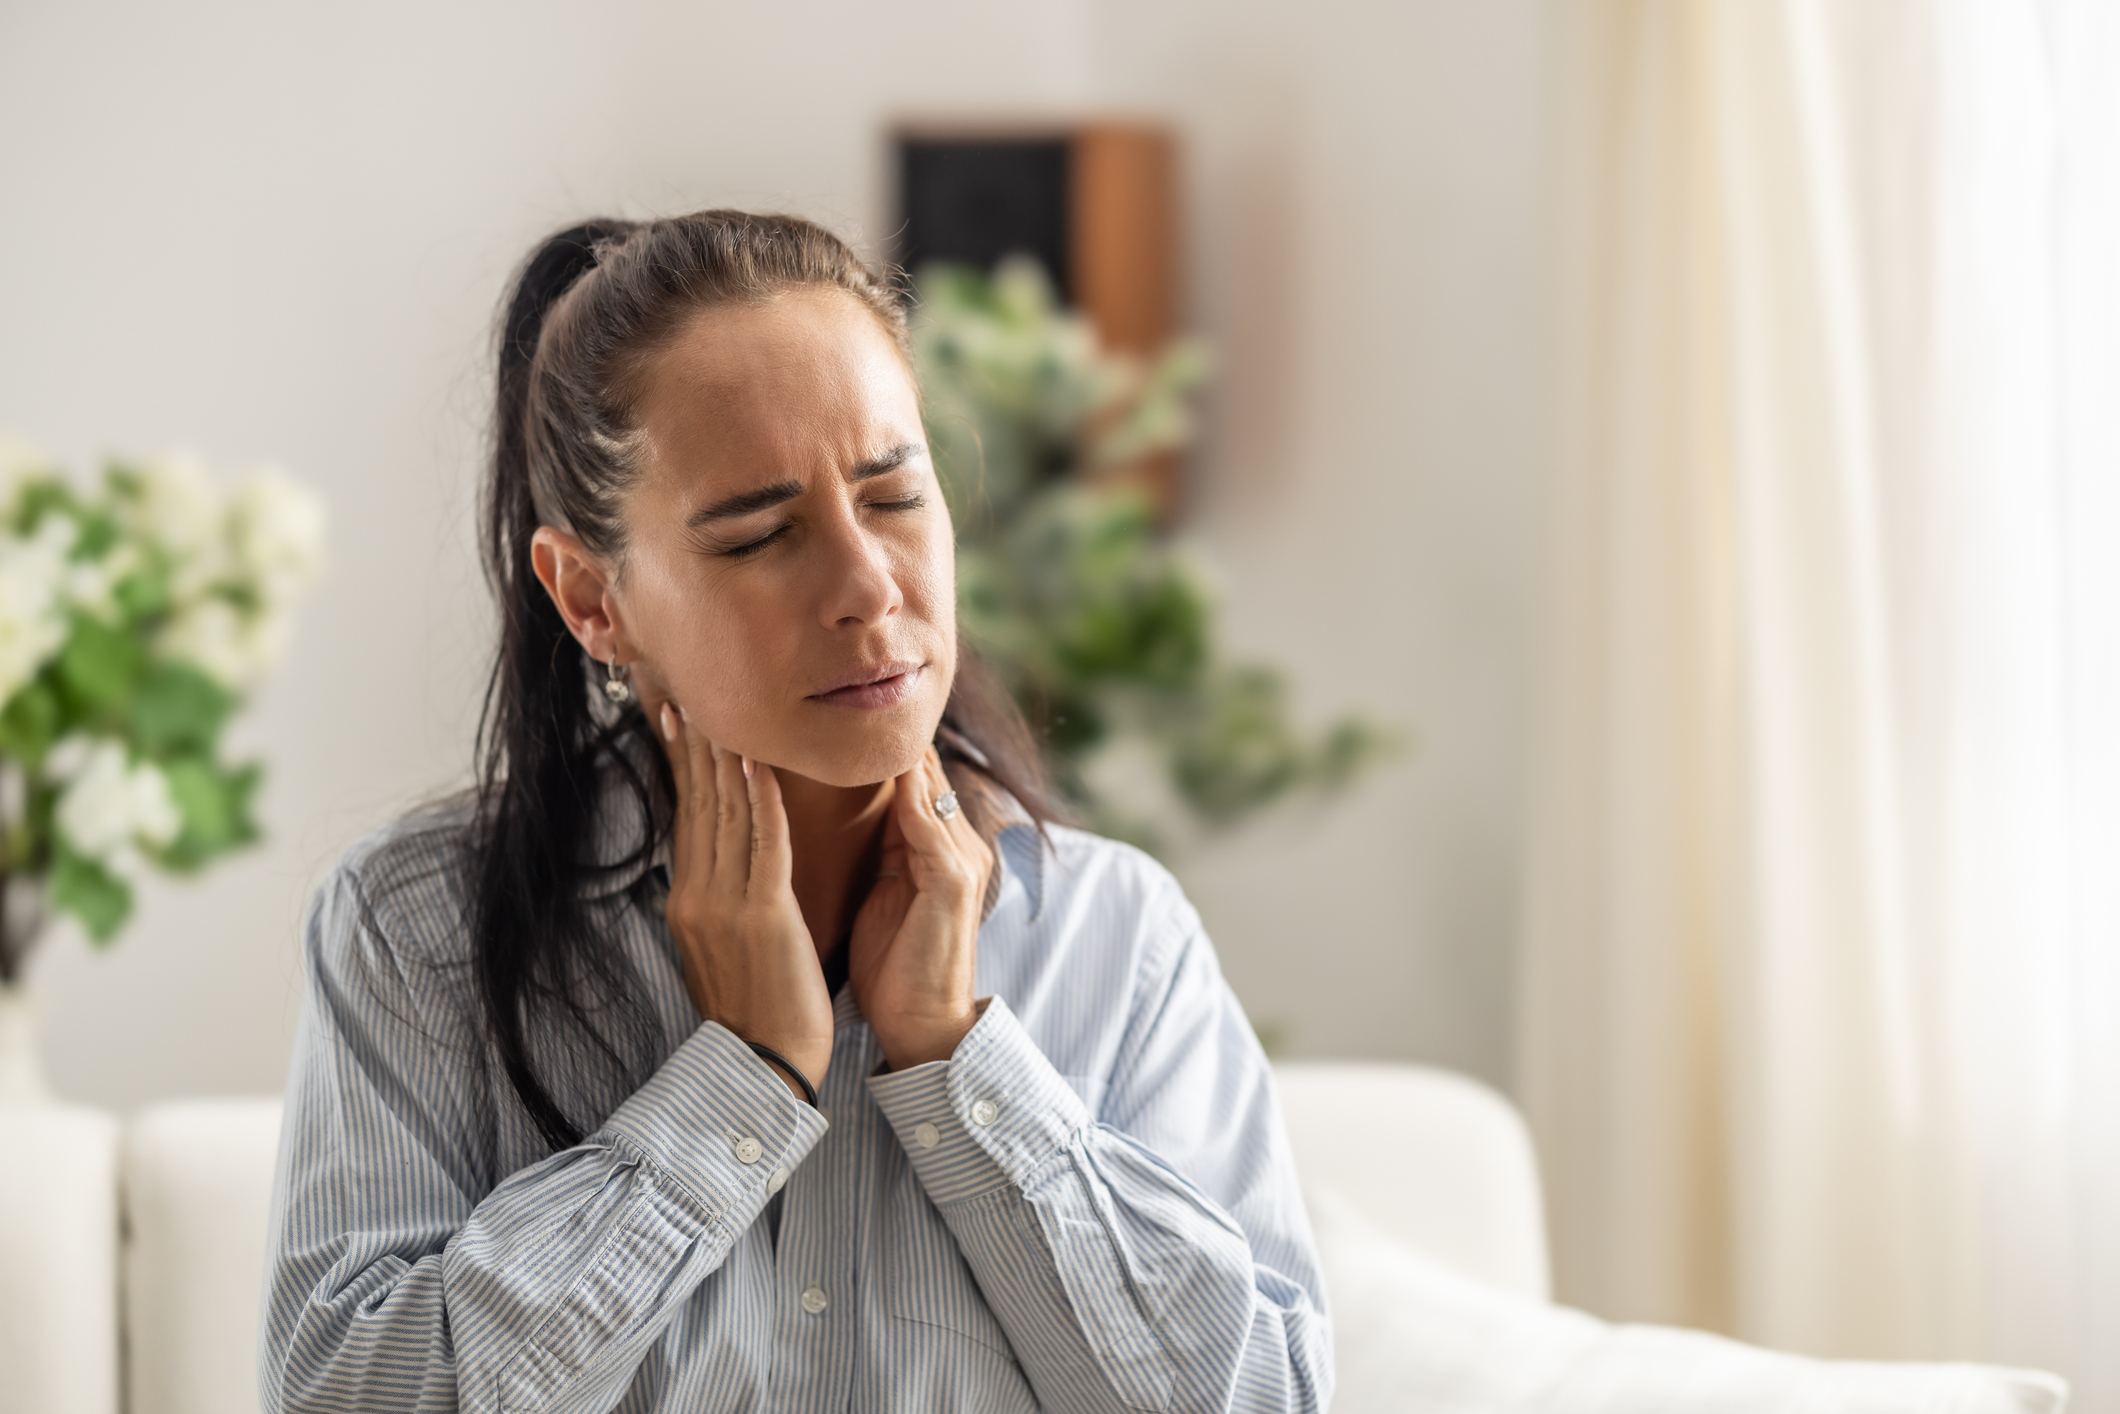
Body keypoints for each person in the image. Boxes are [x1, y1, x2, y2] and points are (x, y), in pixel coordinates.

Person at [257, 210, 1331, 1413]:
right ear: (592, 599)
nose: (869, 586)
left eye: (894, 496)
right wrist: (741, 1083)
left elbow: (1263, 1398)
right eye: (763, 533)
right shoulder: (413, 931)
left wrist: (956, 1057)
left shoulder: (1118, 936)